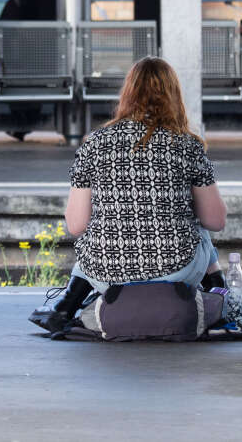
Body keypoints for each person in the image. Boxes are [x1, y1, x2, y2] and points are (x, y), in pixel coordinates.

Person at [29, 56, 228, 332]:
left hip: (107, 274)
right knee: (198, 221)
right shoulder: (187, 144)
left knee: (94, 225)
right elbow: (216, 221)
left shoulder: (95, 143)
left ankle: (67, 302)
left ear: (128, 93)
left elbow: (76, 226)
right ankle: (223, 294)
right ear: (174, 95)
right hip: (177, 269)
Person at [0, 0, 57, 141]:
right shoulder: (65, 6)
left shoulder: (18, 3)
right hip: (56, 67)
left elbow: (1, 36)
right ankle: (28, 119)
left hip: (19, 67)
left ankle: (23, 120)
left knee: (16, 73)